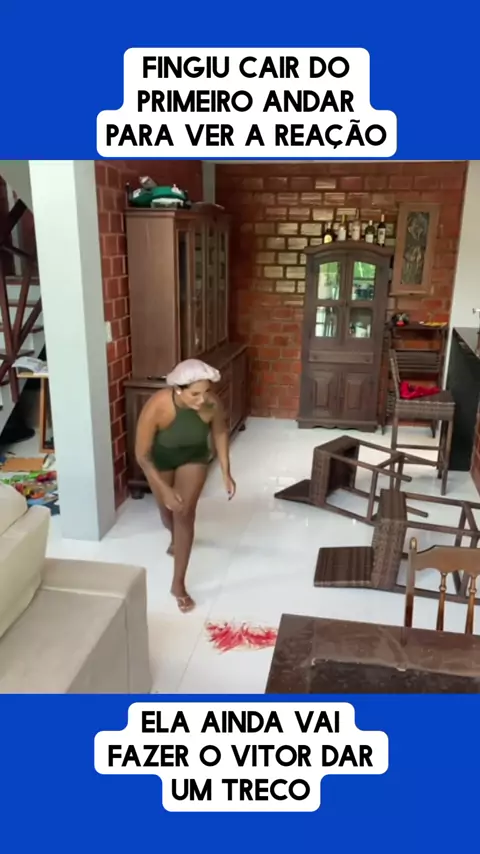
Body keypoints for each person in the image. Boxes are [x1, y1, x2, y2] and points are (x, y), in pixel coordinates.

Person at [135, 359, 236, 613]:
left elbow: (220, 432)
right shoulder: (158, 406)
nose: (202, 400)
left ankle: (178, 584)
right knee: (167, 512)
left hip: (194, 457)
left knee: (184, 512)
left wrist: (226, 472)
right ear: (178, 390)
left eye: (206, 392)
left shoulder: (211, 404)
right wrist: (165, 489)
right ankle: (174, 536)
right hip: (160, 461)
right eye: (195, 394)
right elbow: (142, 456)